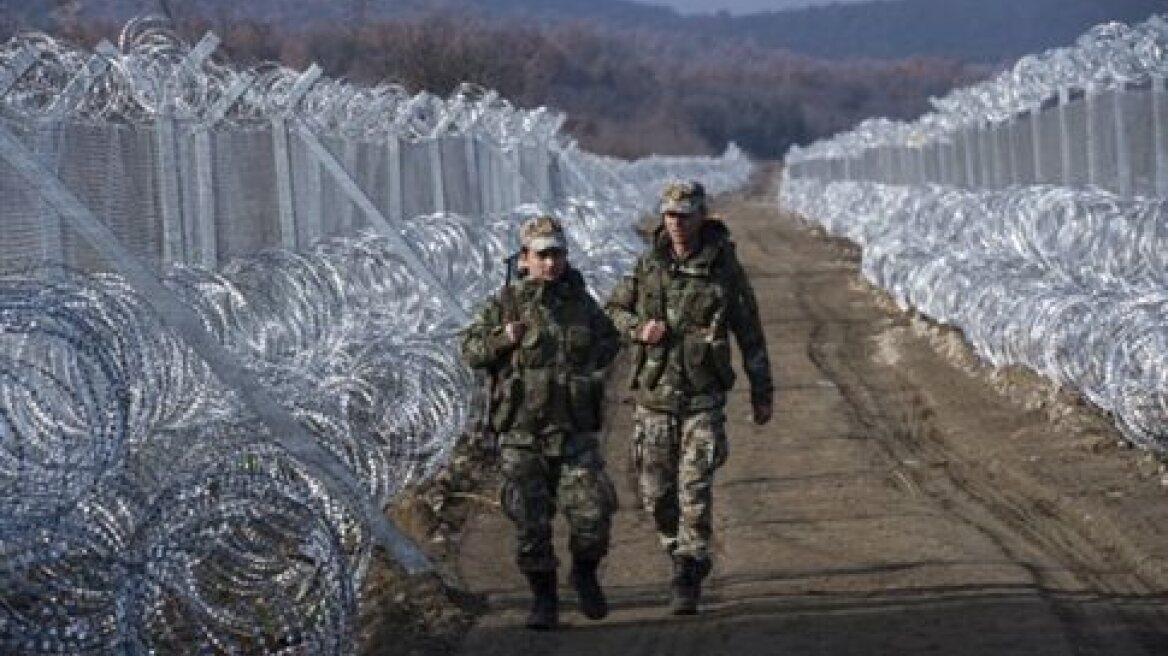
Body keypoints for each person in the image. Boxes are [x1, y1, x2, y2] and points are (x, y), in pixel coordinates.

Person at [605, 180, 774, 615]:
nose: (676, 223)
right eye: (669, 215)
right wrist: (638, 330)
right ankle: (677, 547)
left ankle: (689, 567)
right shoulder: (649, 265)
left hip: (703, 398)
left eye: (684, 214)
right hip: (655, 398)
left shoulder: (724, 269)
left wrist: (761, 391)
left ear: (702, 216)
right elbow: (614, 309)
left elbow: (750, 332)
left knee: (694, 488)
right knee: (656, 495)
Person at [459, 215, 621, 630]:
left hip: (573, 431)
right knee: (531, 524)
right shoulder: (505, 303)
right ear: (525, 259)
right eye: (543, 255)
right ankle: (543, 599)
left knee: (592, 513)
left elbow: (609, 339)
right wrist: (502, 339)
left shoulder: (579, 302)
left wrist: (584, 374)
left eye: (558, 254)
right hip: (521, 435)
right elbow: (470, 349)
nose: (551, 263)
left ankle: (584, 574)